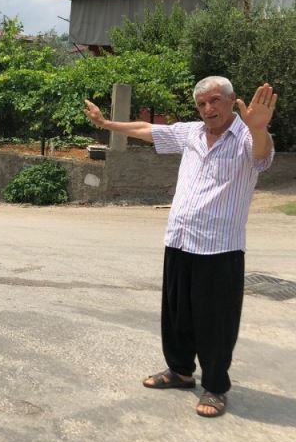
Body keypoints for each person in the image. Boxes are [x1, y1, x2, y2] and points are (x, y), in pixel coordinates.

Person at [83, 77, 277, 418]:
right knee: (176, 313)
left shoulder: (248, 136)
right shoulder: (191, 133)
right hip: (180, 239)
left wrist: (260, 128)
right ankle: (180, 371)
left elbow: (261, 157)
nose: (208, 109)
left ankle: (215, 386)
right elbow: (147, 129)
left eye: (215, 100)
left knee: (216, 321)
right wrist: (106, 123)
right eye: (202, 104)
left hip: (220, 249)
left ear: (231, 99)